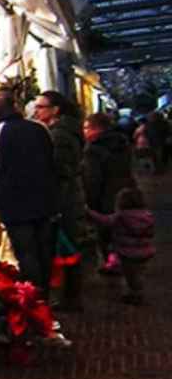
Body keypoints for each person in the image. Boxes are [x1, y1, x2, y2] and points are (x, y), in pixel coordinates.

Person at [0, 90, 59, 298]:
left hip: (15, 204)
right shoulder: (41, 129)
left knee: (26, 254)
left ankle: (34, 301)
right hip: (46, 200)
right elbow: (52, 160)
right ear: (16, 105)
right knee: (45, 252)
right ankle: (44, 296)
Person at [32, 91, 87, 310]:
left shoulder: (59, 135)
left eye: (40, 107)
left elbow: (61, 168)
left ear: (55, 110)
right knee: (69, 246)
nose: (36, 111)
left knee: (68, 246)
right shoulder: (63, 131)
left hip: (65, 198)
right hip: (68, 196)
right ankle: (70, 295)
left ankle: (71, 298)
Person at [83, 113, 136, 274]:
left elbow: (93, 178)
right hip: (125, 191)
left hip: (105, 195)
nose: (84, 131)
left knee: (105, 230)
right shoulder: (122, 143)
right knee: (123, 229)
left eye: (86, 127)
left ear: (96, 128)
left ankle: (111, 263)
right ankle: (124, 260)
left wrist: (90, 201)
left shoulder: (94, 149)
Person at [87, 187, 154, 305]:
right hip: (145, 252)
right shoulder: (147, 216)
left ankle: (136, 295)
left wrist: (88, 212)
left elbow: (105, 220)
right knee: (138, 273)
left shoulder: (121, 216)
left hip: (127, 253)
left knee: (131, 276)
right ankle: (135, 292)